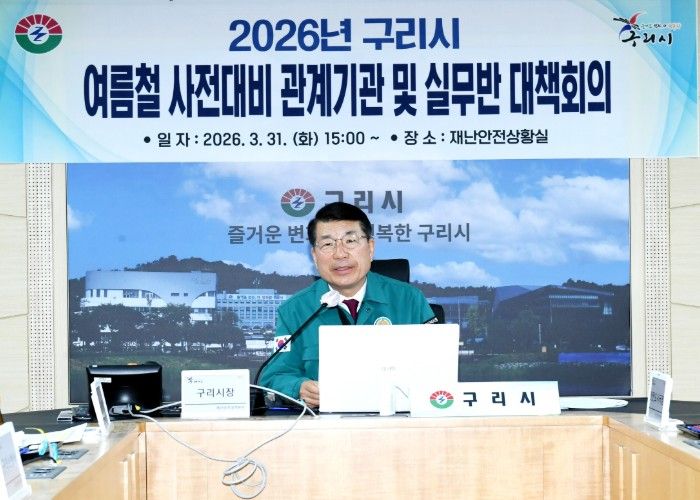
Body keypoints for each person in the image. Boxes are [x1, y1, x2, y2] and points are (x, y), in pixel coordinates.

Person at [258, 201, 436, 407]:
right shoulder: (295, 310)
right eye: (327, 244)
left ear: (370, 248)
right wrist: (299, 387)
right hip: (324, 422)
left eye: (350, 241)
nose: (340, 254)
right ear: (314, 256)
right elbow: (274, 377)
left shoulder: (410, 299)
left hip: (400, 419)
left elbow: (438, 366)